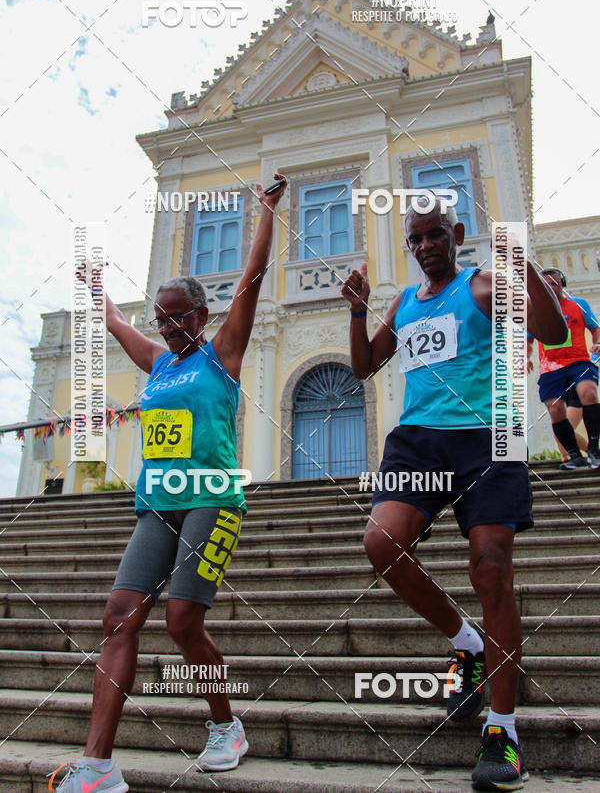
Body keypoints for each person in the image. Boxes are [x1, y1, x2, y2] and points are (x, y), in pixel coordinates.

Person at [55, 177, 287, 792]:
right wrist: (97, 285)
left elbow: (253, 278)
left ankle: (224, 727)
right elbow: (109, 321)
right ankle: (98, 767)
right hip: (157, 507)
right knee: (118, 618)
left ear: (202, 315)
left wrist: (264, 213)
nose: (167, 326)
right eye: (160, 318)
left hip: (213, 500)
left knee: (183, 620)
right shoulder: (158, 362)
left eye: (176, 316)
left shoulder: (223, 353)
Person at [341, 196, 567, 792]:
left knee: (490, 567)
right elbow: (364, 366)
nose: (425, 247)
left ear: (456, 234)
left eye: (435, 234)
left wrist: (520, 265)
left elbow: (554, 331)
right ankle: (466, 644)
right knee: (381, 543)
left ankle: (502, 728)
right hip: (418, 441)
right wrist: (360, 313)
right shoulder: (406, 302)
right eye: (415, 240)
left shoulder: (485, 285)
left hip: (489, 437)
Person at [526, 268, 600, 469]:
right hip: (551, 369)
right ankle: (575, 456)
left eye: (554, 283)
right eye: (545, 285)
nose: (550, 288)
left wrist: (597, 343)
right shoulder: (536, 310)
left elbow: (595, 328)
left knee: (588, 391)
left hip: (578, 361)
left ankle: (594, 449)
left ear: (562, 284)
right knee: (556, 409)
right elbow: (528, 339)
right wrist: (525, 357)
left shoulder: (578, 304)